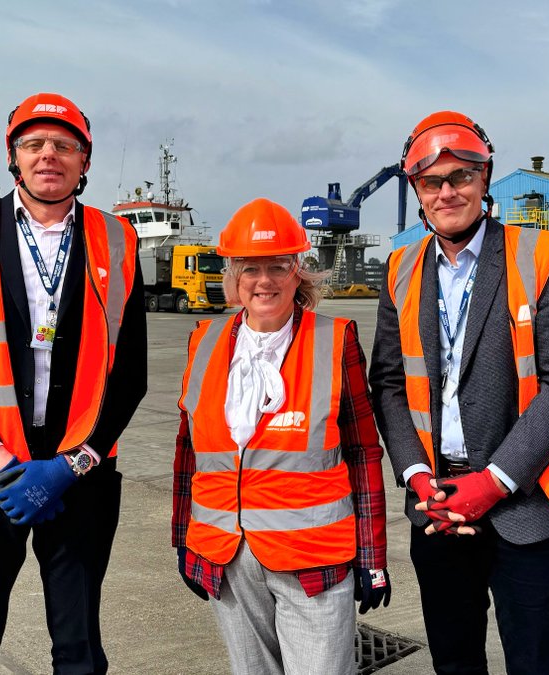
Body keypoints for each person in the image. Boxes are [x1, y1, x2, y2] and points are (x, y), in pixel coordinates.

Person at [0, 92, 146, 674]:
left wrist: (75, 463)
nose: (49, 156)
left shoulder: (118, 240)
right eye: (34, 144)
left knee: (79, 650)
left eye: (65, 146)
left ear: (85, 162)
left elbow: (131, 375)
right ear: (12, 157)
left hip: (80, 473)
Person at [369, 111, 549, 674]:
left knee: (535, 661)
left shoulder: (542, 255)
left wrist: (492, 483)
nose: (447, 192)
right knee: (454, 659)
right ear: (416, 191)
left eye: (460, 177)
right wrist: (417, 477)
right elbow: (390, 383)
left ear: (485, 179)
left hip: (526, 501)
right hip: (438, 502)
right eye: (431, 182)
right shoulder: (399, 268)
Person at [171, 198, 390, 675]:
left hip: (312, 560)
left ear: (299, 273)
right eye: (250, 268)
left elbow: (362, 451)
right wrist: (185, 541)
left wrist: (373, 559)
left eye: (278, 266)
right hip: (227, 556)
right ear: (233, 276)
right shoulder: (203, 340)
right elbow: (190, 453)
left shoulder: (335, 339)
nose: (264, 281)